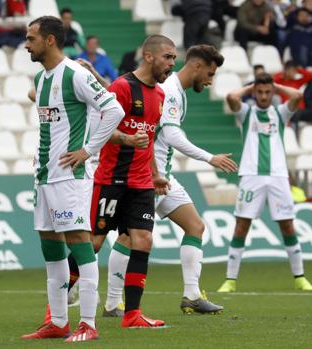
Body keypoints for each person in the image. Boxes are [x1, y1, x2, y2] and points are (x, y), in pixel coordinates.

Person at [96, 45, 236, 318]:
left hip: (161, 174)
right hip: (146, 174)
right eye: (209, 73)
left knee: (195, 226)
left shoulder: (173, 91)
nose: (210, 80)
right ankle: (112, 303)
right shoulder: (169, 91)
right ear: (196, 66)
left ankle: (192, 296)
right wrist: (210, 158)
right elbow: (170, 135)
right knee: (128, 237)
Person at [20, 16, 125, 342]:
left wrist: (88, 150)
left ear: (50, 40)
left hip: (71, 177)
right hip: (45, 176)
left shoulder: (75, 74)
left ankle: (89, 325)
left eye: (32, 38)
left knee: (80, 244)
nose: (27, 44)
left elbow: (115, 109)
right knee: (50, 249)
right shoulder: (40, 78)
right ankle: (59, 321)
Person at [69, 34, 178, 328]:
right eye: (168, 57)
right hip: (112, 178)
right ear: (150, 56)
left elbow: (149, 139)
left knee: (143, 240)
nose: (172, 64)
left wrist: (155, 173)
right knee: (92, 243)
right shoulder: (122, 87)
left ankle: (132, 314)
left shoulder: (160, 95)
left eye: (174, 59)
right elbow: (101, 130)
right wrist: (128, 138)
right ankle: (61, 290)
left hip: (141, 181)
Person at [218, 73, 312, 293]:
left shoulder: (279, 114)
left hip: (278, 176)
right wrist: (252, 87)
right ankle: (230, 280)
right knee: (241, 226)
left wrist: (276, 85)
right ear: (254, 92)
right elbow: (231, 97)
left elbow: (298, 95)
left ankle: (300, 278)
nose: (263, 96)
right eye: (260, 92)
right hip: (251, 176)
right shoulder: (247, 114)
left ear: (272, 93)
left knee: (287, 226)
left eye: (267, 92)